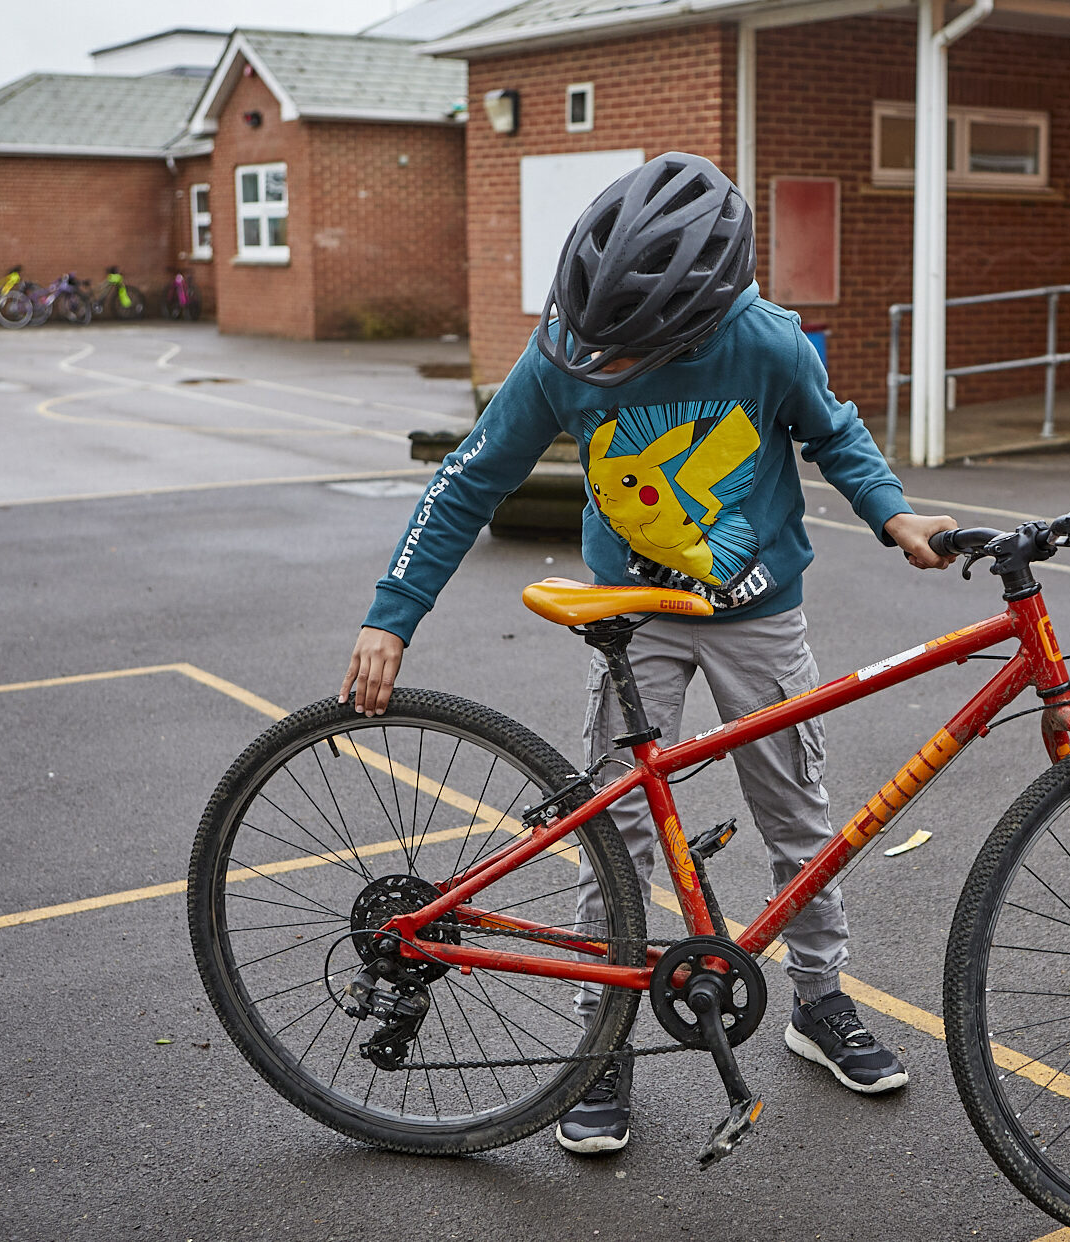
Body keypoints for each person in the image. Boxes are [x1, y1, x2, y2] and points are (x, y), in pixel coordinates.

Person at [340, 152, 957, 1156]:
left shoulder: (763, 342)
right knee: (615, 826)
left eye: (633, 351)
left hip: (758, 612)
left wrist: (894, 516)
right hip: (631, 617)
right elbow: (464, 484)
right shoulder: (559, 353)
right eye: (598, 346)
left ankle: (818, 1000)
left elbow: (834, 434)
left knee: (793, 813)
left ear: (699, 319)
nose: (607, 367)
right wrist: (390, 614)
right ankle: (606, 1034)